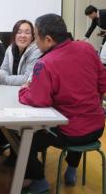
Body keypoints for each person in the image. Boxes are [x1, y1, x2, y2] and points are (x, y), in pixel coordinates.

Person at [19, 14, 106, 194]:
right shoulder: (87, 48)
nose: (35, 41)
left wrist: (24, 90)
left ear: (49, 39)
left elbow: (38, 100)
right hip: (98, 126)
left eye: (36, 36)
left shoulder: (44, 63)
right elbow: (103, 83)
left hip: (70, 132)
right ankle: (71, 170)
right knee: (79, 124)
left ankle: (40, 181)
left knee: (25, 142)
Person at [0, 20, 41, 162]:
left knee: (14, 122)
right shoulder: (11, 48)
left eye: (27, 32)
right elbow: (3, 69)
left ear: (33, 36)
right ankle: (7, 146)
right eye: (19, 32)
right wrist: (1, 76)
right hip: (11, 93)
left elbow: (26, 79)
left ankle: (19, 155)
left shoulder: (36, 51)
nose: (22, 35)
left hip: (27, 97)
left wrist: (2, 79)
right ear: (14, 34)